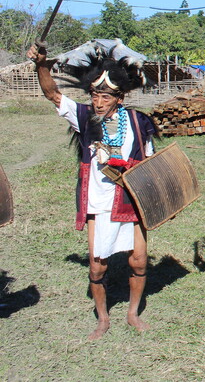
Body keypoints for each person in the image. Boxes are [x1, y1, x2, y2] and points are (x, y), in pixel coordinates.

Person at [27, 39, 157, 340]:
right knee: (97, 268)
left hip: (130, 200)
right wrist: (41, 65)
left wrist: (159, 199)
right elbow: (52, 93)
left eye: (106, 97)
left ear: (120, 98)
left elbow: (151, 163)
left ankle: (133, 313)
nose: (98, 101)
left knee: (138, 261)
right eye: (95, 95)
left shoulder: (139, 123)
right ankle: (102, 318)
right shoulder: (84, 118)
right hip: (98, 202)